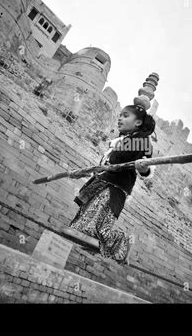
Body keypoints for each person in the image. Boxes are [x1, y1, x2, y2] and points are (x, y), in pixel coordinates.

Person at [68, 102, 156, 264]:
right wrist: (82, 172)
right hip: (101, 182)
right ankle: (87, 242)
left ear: (138, 122)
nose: (120, 118)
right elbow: (105, 164)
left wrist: (143, 168)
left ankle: (121, 243)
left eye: (125, 115)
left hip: (115, 187)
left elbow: (146, 166)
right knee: (83, 220)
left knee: (97, 226)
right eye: (120, 115)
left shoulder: (142, 141)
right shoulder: (120, 141)